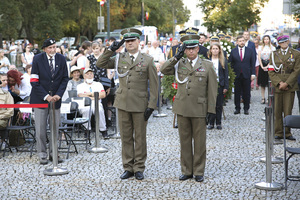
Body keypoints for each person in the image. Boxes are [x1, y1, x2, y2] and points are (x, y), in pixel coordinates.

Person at [97, 28, 158, 180]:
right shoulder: (119, 58)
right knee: (126, 137)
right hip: (123, 102)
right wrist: (111, 49)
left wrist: (152, 105)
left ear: (139, 42)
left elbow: (155, 85)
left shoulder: (148, 60)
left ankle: (139, 167)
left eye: (133, 40)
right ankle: (128, 167)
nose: (130, 43)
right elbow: (100, 63)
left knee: (140, 137)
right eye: (127, 41)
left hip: (139, 103)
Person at [161, 34, 218, 182]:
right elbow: (164, 70)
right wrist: (175, 57)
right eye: (188, 49)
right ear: (184, 51)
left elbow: (212, 89)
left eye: (193, 49)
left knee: (199, 142)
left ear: (198, 49)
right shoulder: (179, 63)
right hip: (183, 107)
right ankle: (186, 170)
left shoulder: (207, 65)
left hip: (199, 107)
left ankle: (199, 171)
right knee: (184, 141)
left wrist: (211, 110)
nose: (191, 52)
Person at [30, 38, 69, 164]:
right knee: (41, 129)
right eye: (50, 48)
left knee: (55, 129)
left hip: (56, 100)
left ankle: (54, 153)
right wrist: (46, 96)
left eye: (54, 47)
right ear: (44, 49)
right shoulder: (37, 59)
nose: (53, 50)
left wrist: (58, 94)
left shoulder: (61, 59)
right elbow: (34, 81)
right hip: (40, 99)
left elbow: (64, 79)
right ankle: (42, 154)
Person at [268, 35, 300, 141]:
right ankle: (278, 132)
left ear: (288, 41)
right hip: (278, 86)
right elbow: (271, 71)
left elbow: (296, 70)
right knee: (277, 110)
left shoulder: (296, 54)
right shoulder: (273, 55)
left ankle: (287, 132)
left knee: (288, 109)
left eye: (285, 41)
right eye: (281, 42)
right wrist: (279, 83)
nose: (284, 44)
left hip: (289, 86)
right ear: (279, 43)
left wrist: (287, 83)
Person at [77, 68, 108, 138]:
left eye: (91, 73)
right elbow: (81, 95)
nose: (89, 75)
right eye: (87, 74)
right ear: (84, 76)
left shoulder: (98, 84)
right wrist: (96, 95)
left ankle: (103, 130)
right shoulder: (80, 86)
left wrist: (89, 94)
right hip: (85, 103)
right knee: (86, 110)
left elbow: (103, 95)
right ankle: (87, 130)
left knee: (99, 110)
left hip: (96, 103)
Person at [229, 35, 255, 115]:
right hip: (236, 75)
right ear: (237, 42)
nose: (241, 42)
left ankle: (246, 108)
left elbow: (252, 63)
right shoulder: (233, 51)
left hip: (247, 74)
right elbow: (230, 63)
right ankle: (237, 108)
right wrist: (231, 74)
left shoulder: (249, 50)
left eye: (243, 41)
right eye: (240, 41)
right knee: (237, 93)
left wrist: (253, 73)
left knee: (247, 92)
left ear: (245, 41)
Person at [207, 43, 229, 130]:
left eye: (217, 49)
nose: (215, 50)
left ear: (219, 50)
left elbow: (226, 74)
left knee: (219, 104)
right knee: (211, 104)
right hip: (210, 85)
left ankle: (218, 122)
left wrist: (226, 86)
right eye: (213, 49)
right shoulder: (208, 61)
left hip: (220, 84)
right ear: (211, 50)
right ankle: (211, 122)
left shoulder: (222, 61)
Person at [258, 35, 276, 103]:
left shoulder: (272, 48)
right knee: (262, 84)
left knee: (269, 83)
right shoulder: (260, 48)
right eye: (265, 39)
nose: (266, 41)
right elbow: (259, 57)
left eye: (267, 39)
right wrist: (262, 66)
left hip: (270, 65)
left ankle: (269, 97)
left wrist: (268, 65)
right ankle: (263, 98)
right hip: (262, 64)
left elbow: (272, 58)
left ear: (269, 40)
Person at [0, 79, 14, 150]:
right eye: (3, 80)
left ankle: (3, 141)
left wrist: (1, 116)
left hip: (2, 119)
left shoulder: (6, 94)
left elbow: (10, 111)